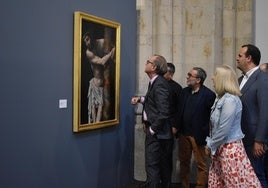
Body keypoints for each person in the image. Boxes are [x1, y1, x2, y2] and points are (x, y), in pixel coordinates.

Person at [205, 65, 262, 187]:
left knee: (234, 183)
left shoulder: (230, 100)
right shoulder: (220, 98)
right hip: (221, 147)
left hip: (230, 150)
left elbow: (223, 129)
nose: (212, 78)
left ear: (222, 79)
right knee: (220, 183)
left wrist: (210, 144)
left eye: (215, 75)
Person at [131, 55, 173, 188]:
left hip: (158, 134)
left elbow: (164, 112)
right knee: (156, 166)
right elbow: (153, 100)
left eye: (148, 62)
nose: (146, 63)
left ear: (154, 67)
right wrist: (140, 99)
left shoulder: (159, 83)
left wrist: (152, 129)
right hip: (158, 133)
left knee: (153, 166)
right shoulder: (155, 81)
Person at [175, 67, 216, 188]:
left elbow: (212, 118)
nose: (187, 77)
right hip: (183, 134)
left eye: (190, 75)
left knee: (201, 165)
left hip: (199, 136)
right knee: (184, 163)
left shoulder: (209, 95)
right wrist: (176, 127)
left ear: (198, 80)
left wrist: (210, 135)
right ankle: (184, 185)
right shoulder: (184, 92)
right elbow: (179, 111)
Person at [236, 44, 268, 188]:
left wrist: (259, 140)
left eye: (240, 55)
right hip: (241, 138)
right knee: (245, 177)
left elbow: (265, 110)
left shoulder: (262, 79)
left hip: (254, 140)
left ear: (249, 58)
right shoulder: (239, 80)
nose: (237, 58)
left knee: (257, 176)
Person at [83, 32, 115, 123]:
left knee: (100, 107)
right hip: (95, 82)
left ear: (92, 38)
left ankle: (97, 124)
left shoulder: (102, 42)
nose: (86, 43)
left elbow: (112, 47)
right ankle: (94, 124)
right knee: (93, 107)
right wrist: (113, 51)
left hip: (102, 81)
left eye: (87, 40)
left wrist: (113, 51)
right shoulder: (88, 52)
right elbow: (102, 62)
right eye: (85, 41)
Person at [163, 63, 182, 136]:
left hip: (170, 124)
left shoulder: (177, 88)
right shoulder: (155, 84)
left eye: (164, 71)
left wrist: (175, 126)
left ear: (170, 74)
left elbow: (179, 109)